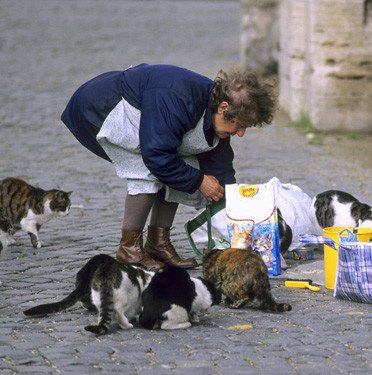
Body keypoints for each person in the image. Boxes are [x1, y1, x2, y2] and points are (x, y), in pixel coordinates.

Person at [61, 63, 276, 270]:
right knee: (149, 166)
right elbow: (156, 156)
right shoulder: (178, 99)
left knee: (182, 164)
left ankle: (157, 244)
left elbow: (221, 169)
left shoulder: (214, 110)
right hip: (100, 107)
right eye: (240, 125)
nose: (241, 133)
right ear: (223, 108)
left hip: (141, 110)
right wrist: (199, 181)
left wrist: (241, 211)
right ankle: (129, 249)